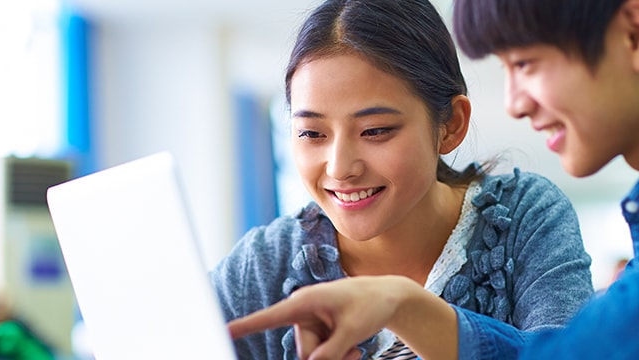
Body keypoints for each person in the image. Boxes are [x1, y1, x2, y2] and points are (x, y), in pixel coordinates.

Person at [227, 0, 639, 359]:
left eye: (375, 131)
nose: (339, 168)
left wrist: (404, 307)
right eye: (311, 134)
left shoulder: (522, 218)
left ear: (450, 124)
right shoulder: (262, 264)